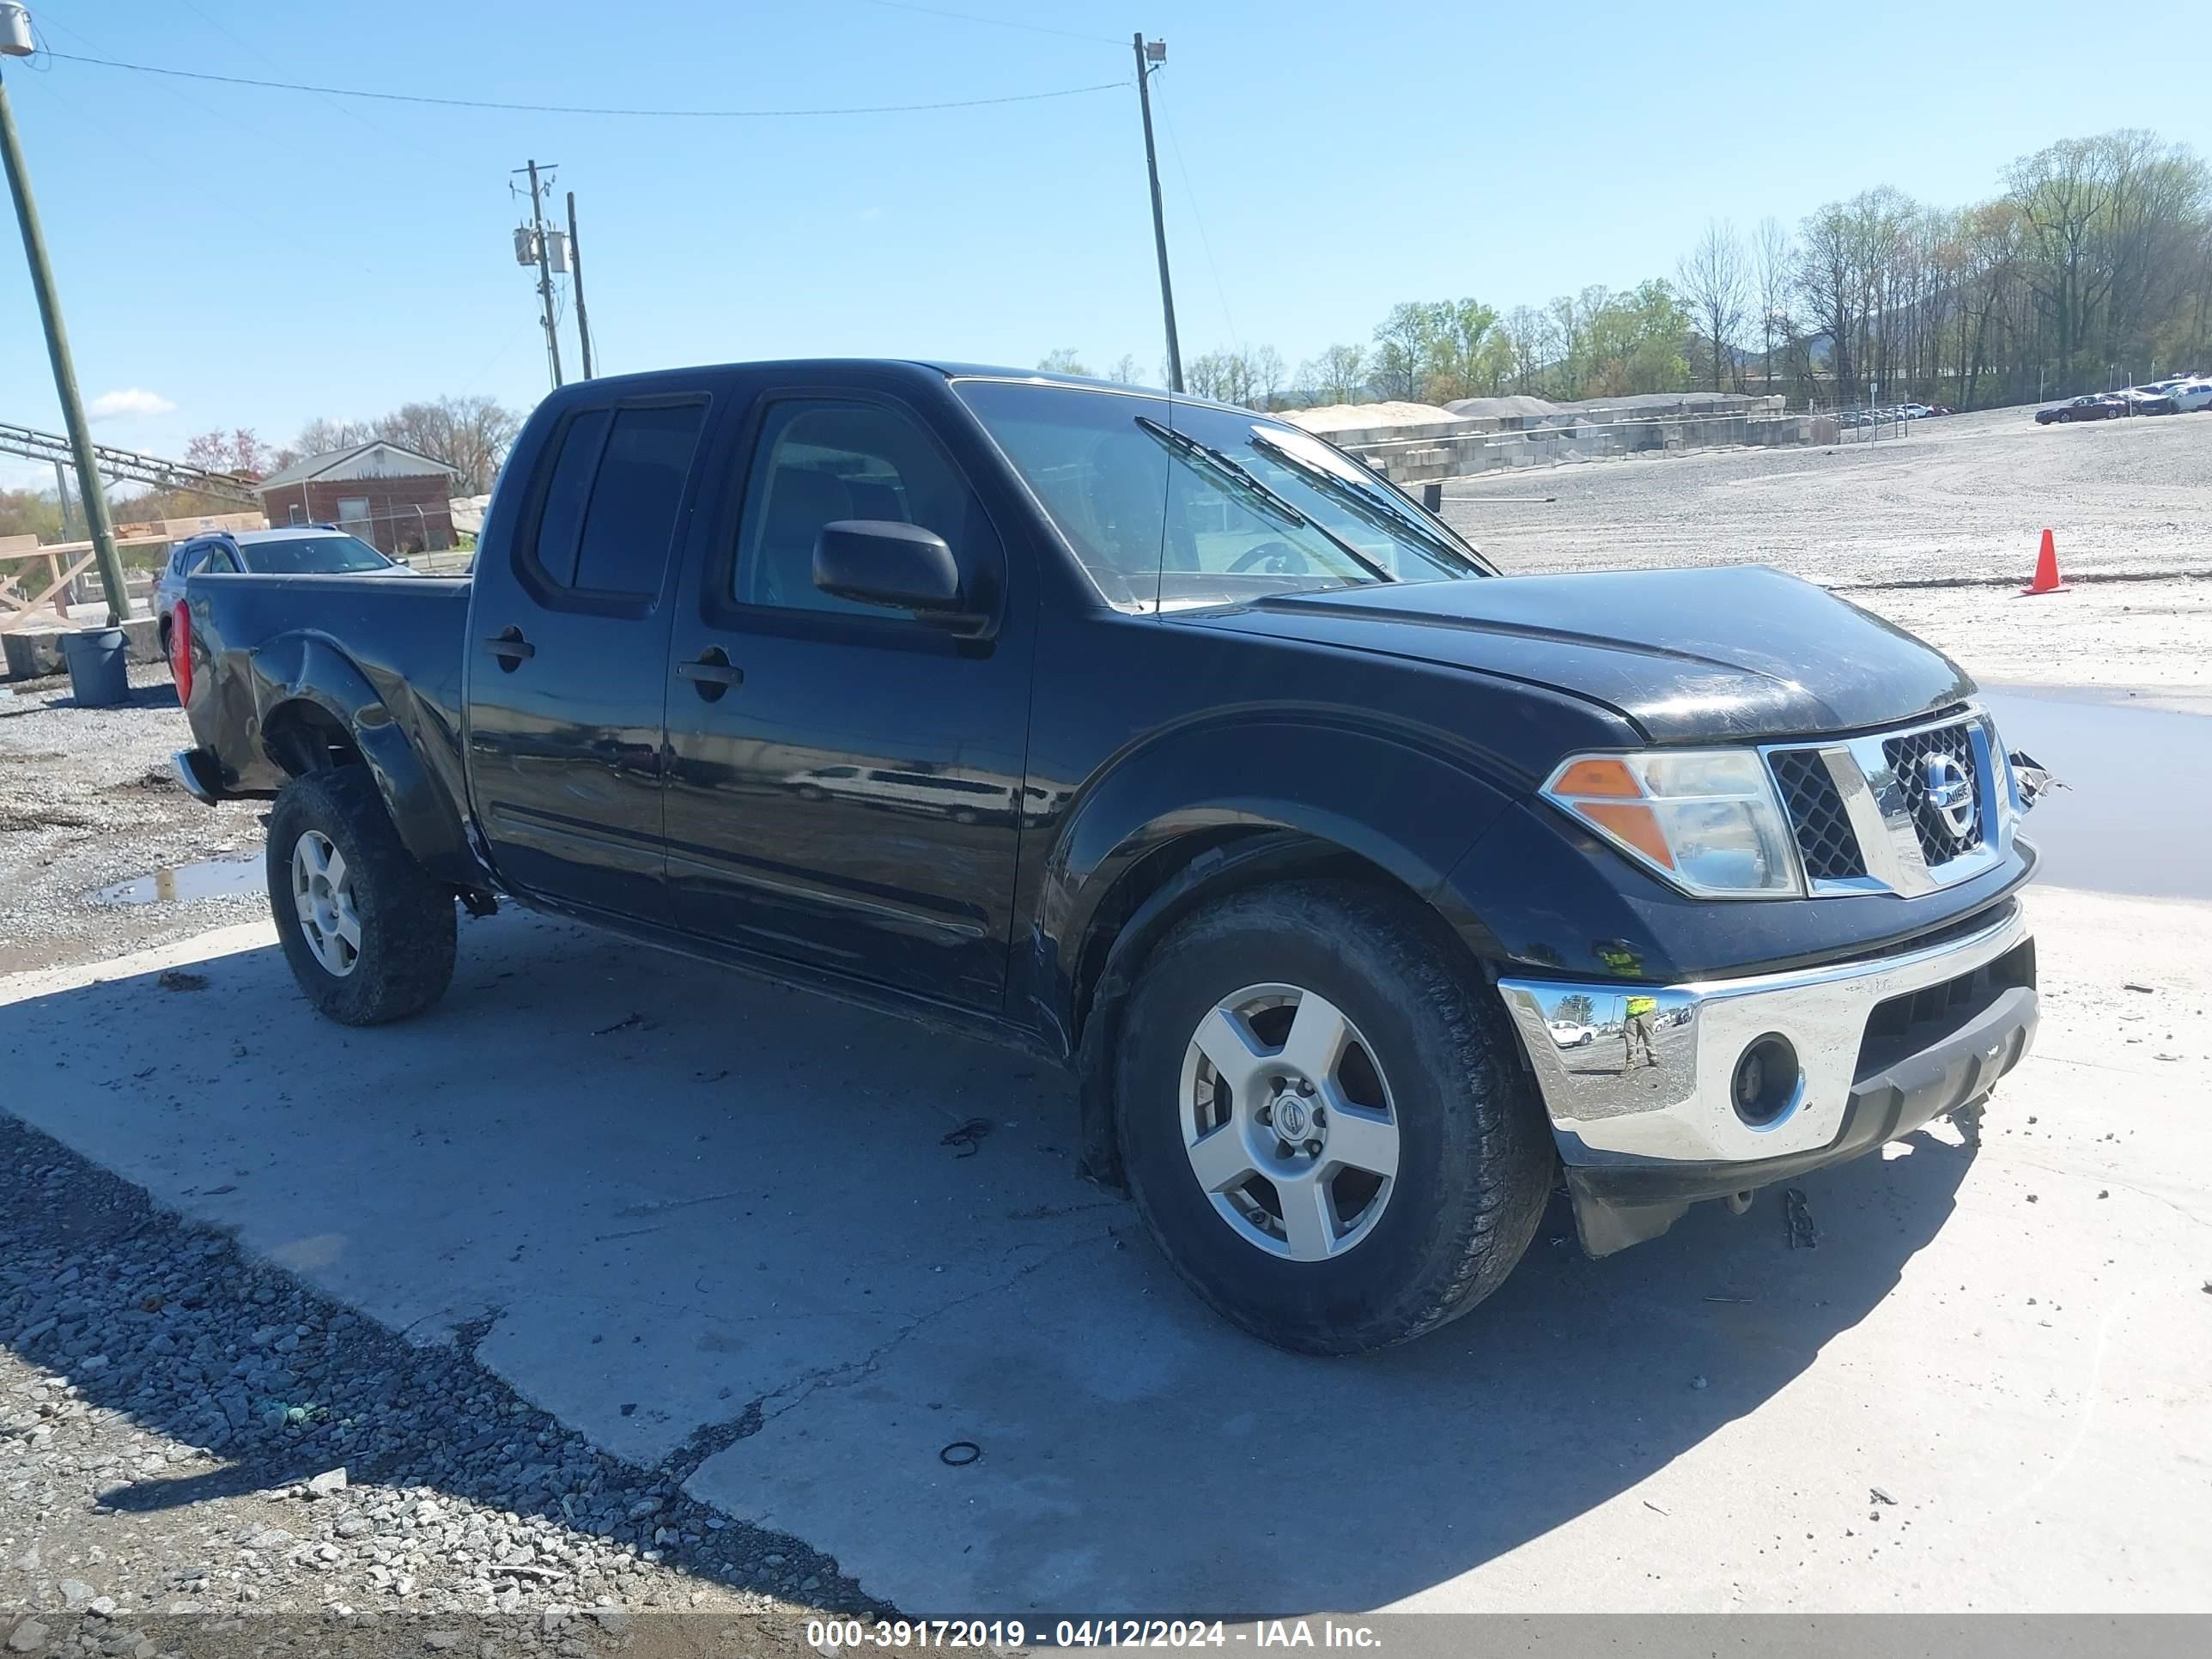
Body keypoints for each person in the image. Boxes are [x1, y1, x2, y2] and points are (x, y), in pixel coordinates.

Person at [1622, 994, 1661, 1071]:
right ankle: (1630, 1064)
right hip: (1631, 1012)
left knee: (1648, 1037)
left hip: (1647, 1009)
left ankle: (1653, 1059)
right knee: (1630, 1040)